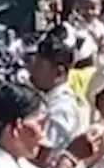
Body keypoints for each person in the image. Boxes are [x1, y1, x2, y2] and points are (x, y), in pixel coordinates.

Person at [29, 27, 86, 155]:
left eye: (39, 66)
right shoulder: (48, 100)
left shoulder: (62, 108)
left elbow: (43, 155)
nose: (32, 71)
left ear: (59, 72)